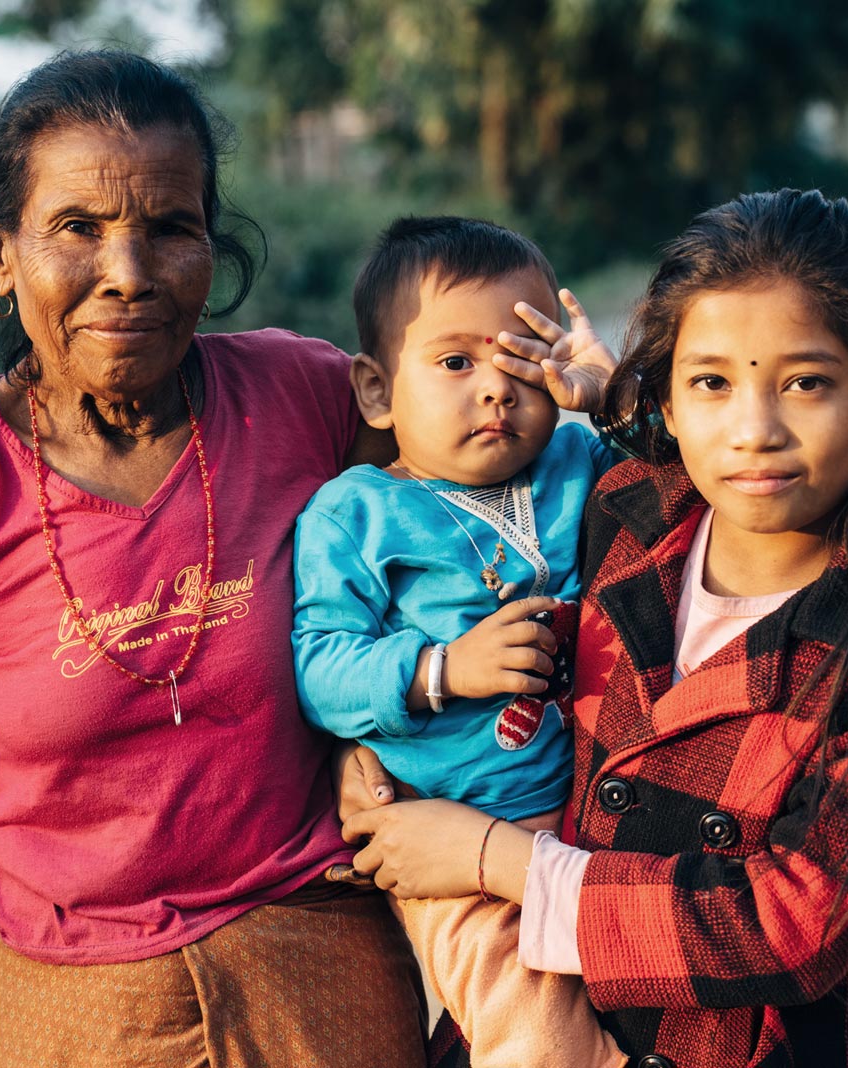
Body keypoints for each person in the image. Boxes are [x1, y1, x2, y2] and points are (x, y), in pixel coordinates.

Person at [0, 50, 428, 1068]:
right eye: (77, 228)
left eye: (169, 228)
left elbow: (479, 505)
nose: (128, 272)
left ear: (211, 245)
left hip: (324, 970)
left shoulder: (310, 399)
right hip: (76, 1008)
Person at [342, 189, 848, 1068]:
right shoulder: (628, 513)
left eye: (806, 383)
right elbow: (433, 591)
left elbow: (793, 925)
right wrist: (369, 768)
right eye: (711, 382)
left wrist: (495, 860)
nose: (754, 431)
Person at [292, 216, 623, 1067]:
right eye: (455, 363)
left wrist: (612, 397)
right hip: (453, 840)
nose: (496, 390)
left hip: (593, 815)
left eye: (522, 363)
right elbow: (319, 667)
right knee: (532, 1030)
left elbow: (686, 481)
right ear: (375, 391)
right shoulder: (356, 513)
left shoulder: (578, 460)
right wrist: (443, 669)